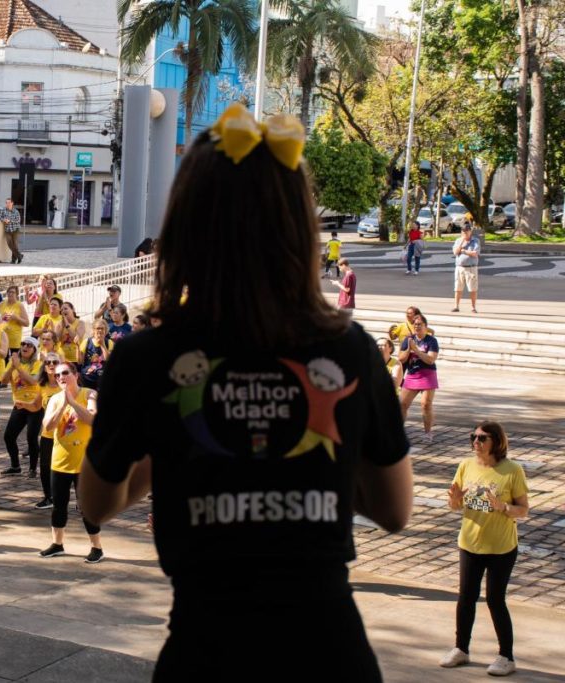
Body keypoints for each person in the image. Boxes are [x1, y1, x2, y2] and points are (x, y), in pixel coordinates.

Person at [77, 103, 413, 679]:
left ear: (185, 225)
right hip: (329, 655)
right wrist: (304, 461)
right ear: (299, 227)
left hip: (205, 654)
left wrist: (184, 439)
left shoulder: (145, 357)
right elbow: (394, 509)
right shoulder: (349, 348)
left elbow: (95, 505)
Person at [441, 421, 529, 677]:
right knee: (466, 598)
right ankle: (461, 649)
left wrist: (503, 507)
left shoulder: (512, 470)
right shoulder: (465, 466)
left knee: (494, 600)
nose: (475, 442)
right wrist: (455, 501)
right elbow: (455, 505)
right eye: (473, 437)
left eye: (482, 438)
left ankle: (506, 656)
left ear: (496, 442)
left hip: (501, 547)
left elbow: (523, 510)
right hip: (469, 544)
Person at [39, 362, 103, 562]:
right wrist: (63, 405)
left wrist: (73, 403)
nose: (61, 378)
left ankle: (97, 547)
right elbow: (47, 427)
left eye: (65, 373)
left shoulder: (90, 394)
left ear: (75, 374)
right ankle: (57, 544)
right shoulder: (55, 399)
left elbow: (93, 419)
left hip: (84, 463)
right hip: (60, 461)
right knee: (59, 505)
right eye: (57, 375)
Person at [1, 337, 42, 476]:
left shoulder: (38, 364)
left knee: (31, 437)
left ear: (34, 349)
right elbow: (4, 381)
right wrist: (12, 366)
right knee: (9, 437)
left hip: (35, 405)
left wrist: (18, 366)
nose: (25, 347)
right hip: (19, 405)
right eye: (23, 344)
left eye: (29, 345)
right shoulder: (13, 363)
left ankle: (32, 469)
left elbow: (32, 381)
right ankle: (15, 466)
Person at [399, 314, 439, 443]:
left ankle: (428, 433)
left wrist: (416, 350)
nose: (417, 327)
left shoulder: (431, 341)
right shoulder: (408, 340)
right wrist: (409, 349)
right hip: (412, 374)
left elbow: (430, 359)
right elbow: (401, 358)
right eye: (415, 324)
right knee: (402, 404)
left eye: (420, 324)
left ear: (426, 327)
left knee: (425, 404)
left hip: (428, 374)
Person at [33, 352, 62, 509]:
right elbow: (36, 406)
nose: (51, 364)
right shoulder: (41, 386)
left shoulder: (65, 384)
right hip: (47, 433)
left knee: (67, 467)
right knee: (45, 466)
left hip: (65, 433)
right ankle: (48, 497)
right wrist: (24, 405)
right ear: (44, 367)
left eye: (55, 362)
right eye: (48, 362)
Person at [453, 223, 481, 313]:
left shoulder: (475, 241)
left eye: (467, 231)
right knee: (458, 288)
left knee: (472, 289)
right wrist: (462, 242)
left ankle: (473, 307)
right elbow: (455, 252)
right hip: (460, 267)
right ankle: (456, 306)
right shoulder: (458, 240)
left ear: (470, 231)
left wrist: (464, 251)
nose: (465, 233)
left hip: (471, 268)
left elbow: (475, 253)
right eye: (463, 231)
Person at [79, 319, 113, 388]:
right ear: (93, 330)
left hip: (103, 379)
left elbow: (109, 360)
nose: (100, 330)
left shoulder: (109, 342)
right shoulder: (86, 341)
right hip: (88, 378)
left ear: (105, 330)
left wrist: (102, 344)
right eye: (98, 328)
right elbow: (80, 361)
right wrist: (77, 347)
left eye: (102, 328)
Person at [0, 285, 28, 355]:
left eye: (13, 292)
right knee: (3, 360)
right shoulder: (2, 303)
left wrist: (16, 318)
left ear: (17, 294)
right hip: (2, 337)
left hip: (14, 339)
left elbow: (27, 323)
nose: (10, 294)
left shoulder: (20, 305)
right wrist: (0, 318)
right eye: (9, 292)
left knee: (14, 360)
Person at [0, 197, 23, 264]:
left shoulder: (16, 211)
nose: (7, 204)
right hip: (7, 230)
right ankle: (19, 255)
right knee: (10, 244)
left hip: (15, 230)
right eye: (6, 203)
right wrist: (4, 220)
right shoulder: (3, 210)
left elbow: (18, 220)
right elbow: (1, 218)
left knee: (15, 245)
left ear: (12, 203)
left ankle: (13, 260)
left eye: (9, 202)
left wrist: (9, 221)